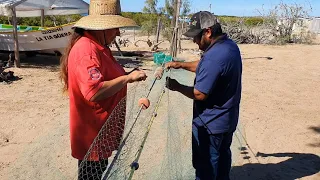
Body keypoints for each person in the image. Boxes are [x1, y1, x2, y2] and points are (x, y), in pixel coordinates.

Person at [59, 0, 147, 179]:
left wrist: (127, 76)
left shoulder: (99, 47)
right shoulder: (87, 50)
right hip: (93, 135)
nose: (118, 32)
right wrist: (127, 78)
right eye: (115, 28)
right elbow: (94, 91)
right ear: (103, 29)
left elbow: (106, 78)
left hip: (101, 132)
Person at [165, 11, 242, 180]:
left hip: (210, 124)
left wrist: (176, 86)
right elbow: (206, 67)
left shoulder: (213, 56)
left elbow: (200, 94)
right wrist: (180, 65)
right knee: (222, 158)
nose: (194, 41)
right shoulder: (229, 46)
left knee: (206, 166)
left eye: (196, 36)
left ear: (208, 32)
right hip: (227, 119)